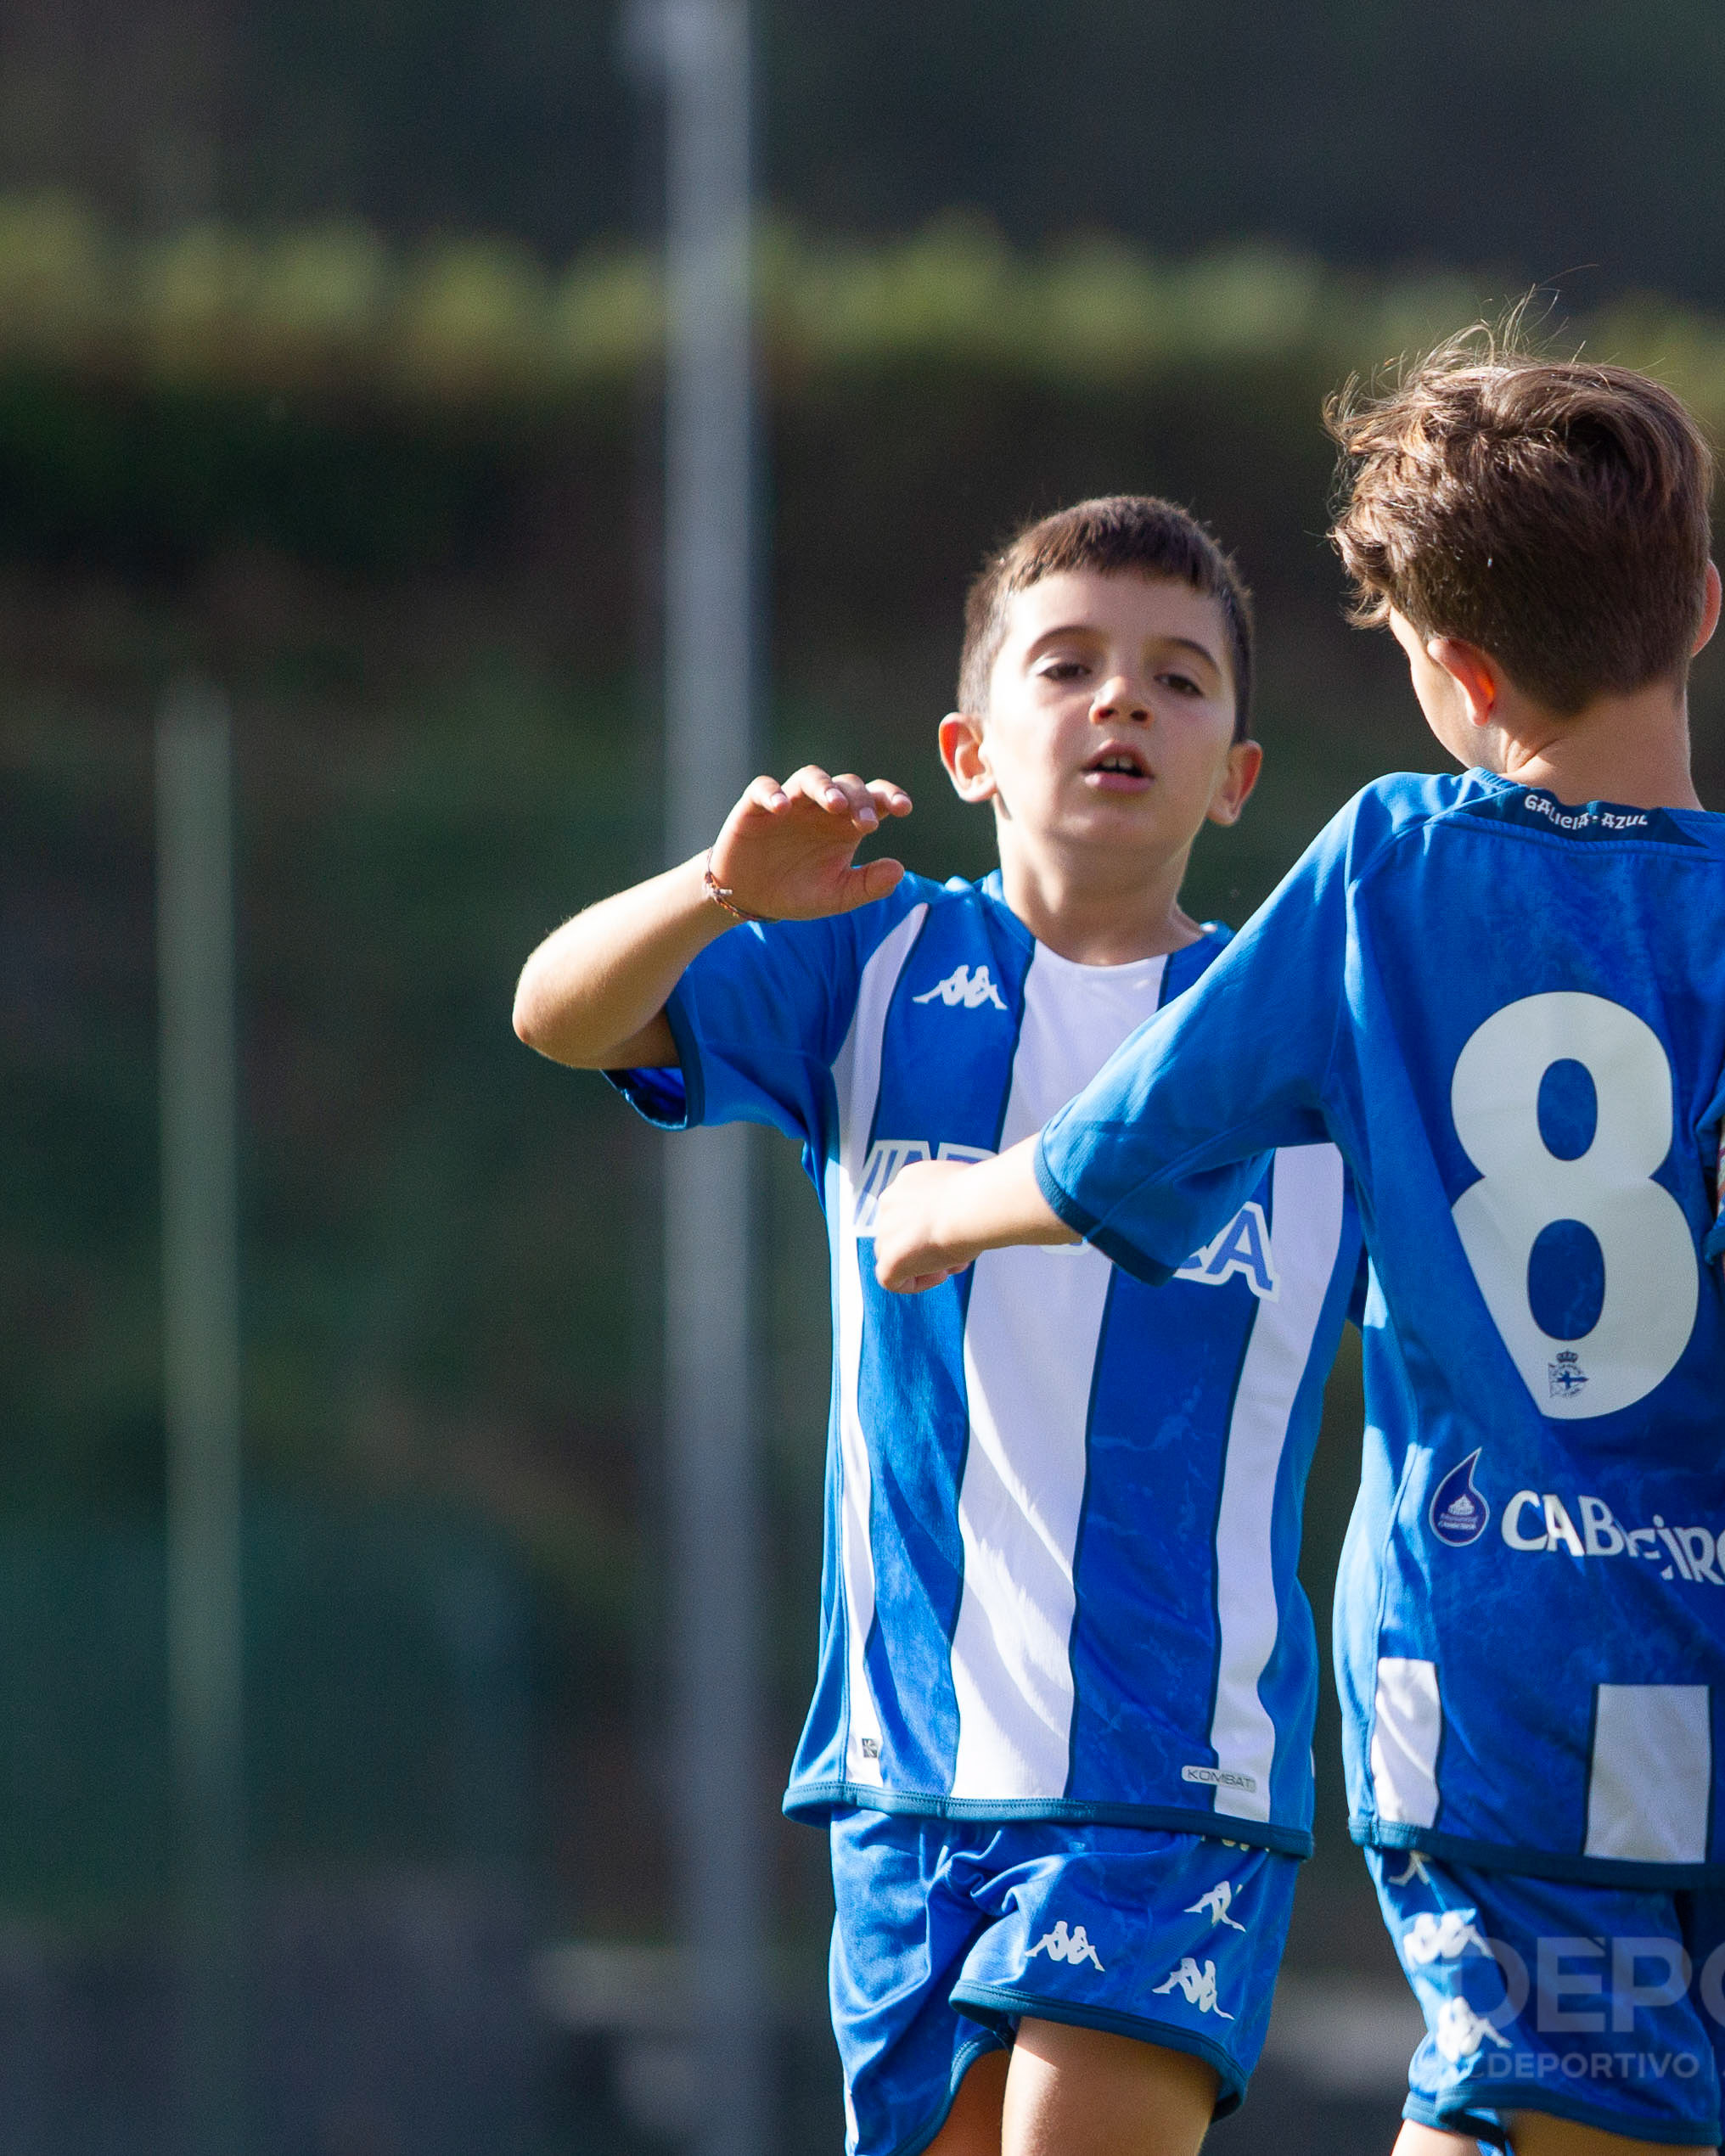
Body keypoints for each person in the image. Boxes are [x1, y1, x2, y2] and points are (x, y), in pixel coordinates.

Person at [866, 335, 1725, 2156]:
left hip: (1483, 1667)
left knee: (1563, 2118)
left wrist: (934, 1207)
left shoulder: (1385, 868)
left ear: (1451, 672)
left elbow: (1133, 1146)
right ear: (1698, 601)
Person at [510, 497, 1357, 2156]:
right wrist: (711, 888)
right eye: (1070, 665)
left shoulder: (1303, 1020)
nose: (1123, 701)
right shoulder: (870, 963)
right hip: (905, 1772)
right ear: (969, 747)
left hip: (1171, 1774)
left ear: (1237, 776)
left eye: (1181, 680)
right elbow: (559, 1012)